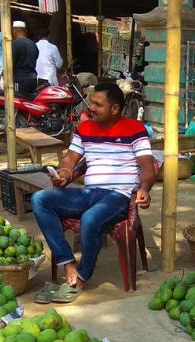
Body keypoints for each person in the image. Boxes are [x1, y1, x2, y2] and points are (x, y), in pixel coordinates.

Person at [31, 83, 155, 303]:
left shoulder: (135, 129)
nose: (91, 108)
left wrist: (144, 188)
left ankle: (82, 276)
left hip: (118, 196)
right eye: (91, 102)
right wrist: (64, 173)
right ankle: (68, 262)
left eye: (98, 104)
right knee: (41, 199)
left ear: (115, 109)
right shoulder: (85, 129)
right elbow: (70, 159)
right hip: (88, 194)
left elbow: (147, 165)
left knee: (90, 219)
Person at [12, 21, 39, 96]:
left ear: (14, 30)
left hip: (19, 80)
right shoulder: (33, 44)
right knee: (31, 104)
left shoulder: (14, 44)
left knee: (17, 101)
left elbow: (11, 62)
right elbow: (36, 57)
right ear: (25, 31)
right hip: (33, 79)